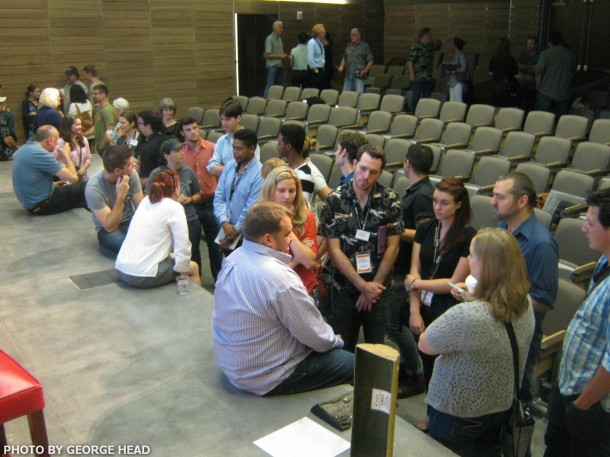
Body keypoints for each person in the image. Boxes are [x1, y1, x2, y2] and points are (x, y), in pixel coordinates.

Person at [212, 201, 354, 396]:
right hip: (267, 376)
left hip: (233, 366)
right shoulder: (280, 279)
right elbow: (315, 337)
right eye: (288, 234)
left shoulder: (232, 259)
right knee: (357, 365)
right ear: (268, 239)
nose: (291, 240)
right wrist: (335, 341)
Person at [419, 228, 535, 456]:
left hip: (458, 414)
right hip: (500, 406)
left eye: (472, 255)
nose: (468, 260)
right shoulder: (526, 304)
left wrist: (469, 304)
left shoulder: (466, 315)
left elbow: (425, 344)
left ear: (486, 265)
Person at [404, 177, 476, 432]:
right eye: (435, 201)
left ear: (458, 205)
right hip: (421, 304)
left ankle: (435, 416)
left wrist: (416, 284)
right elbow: (415, 269)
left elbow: (454, 283)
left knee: (441, 367)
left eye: (444, 203)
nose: (437, 207)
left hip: (448, 307)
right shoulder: (426, 229)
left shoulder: (468, 236)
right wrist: (414, 309)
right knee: (427, 360)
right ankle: (431, 412)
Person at [544, 188, 610, 457]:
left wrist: (582, 405)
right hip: (570, 387)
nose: (584, 229)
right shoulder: (604, 260)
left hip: (591, 405)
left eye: (591, 223)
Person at [319, 144, 403, 352]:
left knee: (377, 351)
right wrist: (361, 286)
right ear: (354, 164)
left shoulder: (390, 200)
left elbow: (393, 248)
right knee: (343, 348)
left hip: (379, 290)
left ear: (380, 172)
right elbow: (334, 249)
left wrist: (372, 287)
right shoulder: (335, 200)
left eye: (373, 172)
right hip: (344, 290)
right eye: (363, 168)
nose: (366, 176)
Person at [492, 172, 558, 417]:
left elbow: (542, 300)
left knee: (516, 410)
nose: (492, 201)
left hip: (520, 336)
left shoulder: (541, 245)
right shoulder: (503, 227)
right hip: (497, 325)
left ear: (521, 201)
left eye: (500, 196)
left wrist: (495, 299)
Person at [390, 144, 435, 398]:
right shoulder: (417, 190)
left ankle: (414, 374)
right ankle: (413, 370)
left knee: (394, 323)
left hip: (409, 270)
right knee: (394, 322)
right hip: (402, 266)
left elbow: (425, 234)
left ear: (407, 163)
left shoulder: (422, 195)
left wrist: (394, 229)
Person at [116, 169, 200, 289]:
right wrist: (182, 275)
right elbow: (183, 247)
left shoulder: (146, 201)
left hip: (121, 268)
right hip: (142, 275)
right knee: (193, 267)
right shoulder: (175, 207)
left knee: (172, 256)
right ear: (177, 189)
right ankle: (195, 306)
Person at [260, 166, 318, 295]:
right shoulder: (259, 217)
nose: (287, 196)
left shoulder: (307, 216)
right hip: (270, 288)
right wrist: (297, 259)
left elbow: (308, 262)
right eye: (281, 190)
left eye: (292, 191)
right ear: (270, 191)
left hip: (301, 287)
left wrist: (285, 222)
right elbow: (261, 266)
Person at [147, 138, 202, 272]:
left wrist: (190, 199)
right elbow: (149, 198)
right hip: (167, 221)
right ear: (166, 156)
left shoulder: (188, 171)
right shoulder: (157, 174)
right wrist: (170, 202)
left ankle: (196, 277)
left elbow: (199, 194)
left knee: (193, 251)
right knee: (170, 253)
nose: (182, 153)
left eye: (182, 149)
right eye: (177, 151)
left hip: (190, 218)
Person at [180, 117, 223, 281]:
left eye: (195, 128)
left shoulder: (212, 148)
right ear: (182, 133)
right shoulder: (180, 153)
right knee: (193, 245)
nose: (193, 132)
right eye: (188, 129)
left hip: (211, 201)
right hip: (191, 204)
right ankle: (196, 278)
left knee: (215, 245)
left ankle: (219, 280)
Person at [12, 125, 86, 215]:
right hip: (42, 204)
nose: (57, 144)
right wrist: (67, 155)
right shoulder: (41, 154)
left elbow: (31, 178)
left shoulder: (24, 148)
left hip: (30, 203)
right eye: (56, 140)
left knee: (77, 196)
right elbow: (73, 178)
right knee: (86, 186)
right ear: (50, 140)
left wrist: (53, 184)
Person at [84, 145, 144, 254]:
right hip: (108, 228)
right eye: (130, 165)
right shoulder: (94, 188)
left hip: (131, 219)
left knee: (155, 235)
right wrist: (121, 196)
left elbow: (141, 208)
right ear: (117, 171)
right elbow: (110, 226)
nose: (134, 166)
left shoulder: (132, 174)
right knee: (122, 245)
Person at [213, 128, 263, 253]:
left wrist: (233, 232)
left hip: (246, 235)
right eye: (233, 148)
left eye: (239, 149)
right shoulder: (229, 166)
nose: (234, 152)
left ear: (251, 149)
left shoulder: (260, 173)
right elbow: (219, 196)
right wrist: (224, 222)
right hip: (226, 228)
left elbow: (251, 207)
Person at [277, 123, 331, 204]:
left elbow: (330, 201)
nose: (277, 147)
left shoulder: (311, 173)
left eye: (279, 143)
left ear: (288, 147)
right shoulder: (286, 166)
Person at [207, 100, 260, 178]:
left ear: (238, 118)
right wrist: (234, 170)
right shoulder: (221, 141)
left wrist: (223, 169)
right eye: (222, 119)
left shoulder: (250, 141)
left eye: (228, 119)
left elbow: (252, 170)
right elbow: (211, 168)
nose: (224, 123)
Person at [536, 31, 577, 117]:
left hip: (546, 91)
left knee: (543, 118)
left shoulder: (546, 53)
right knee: (560, 121)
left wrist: (538, 87)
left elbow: (539, 72)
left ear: (549, 42)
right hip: (563, 93)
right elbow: (572, 73)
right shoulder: (570, 55)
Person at [408, 28, 445, 111]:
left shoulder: (430, 45)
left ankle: (424, 113)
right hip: (418, 76)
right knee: (416, 97)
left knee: (426, 97)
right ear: (424, 35)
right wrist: (412, 73)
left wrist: (452, 36)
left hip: (428, 76)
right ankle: (413, 113)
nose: (431, 37)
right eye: (429, 35)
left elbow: (440, 42)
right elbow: (410, 61)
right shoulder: (416, 45)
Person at [136, 109, 170, 187]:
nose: (139, 127)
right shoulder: (172, 139)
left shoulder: (145, 149)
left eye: (140, 124)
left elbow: (144, 181)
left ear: (148, 126)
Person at [54, 115, 92, 181]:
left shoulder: (83, 139)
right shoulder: (60, 142)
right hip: (66, 180)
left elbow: (88, 158)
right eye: (77, 125)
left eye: (80, 124)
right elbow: (52, 160)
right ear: (68, 126)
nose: (80, 127)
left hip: (82, 178)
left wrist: (84, 168)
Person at [337, 28, 374, 94]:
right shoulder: (348, 45)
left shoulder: (365, 46)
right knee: (346, 95)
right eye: (351, 35)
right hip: (348, 75)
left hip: (359, 75)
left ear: (359, 36)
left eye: (354, 35)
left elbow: (370, 60)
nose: (352, 37)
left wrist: (365, 70)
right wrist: (341, 66)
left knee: (359, 95)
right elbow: (344, 58)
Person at [488, 38, 520, 108]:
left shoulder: (494, 58)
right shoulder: (511, 60)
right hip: (509, 89)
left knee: (497, 109)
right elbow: (516, 75)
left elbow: (490, 73)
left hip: (496, 88)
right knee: (510, 109)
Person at [263, 21, 289, 99]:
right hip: (272, 66)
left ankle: (277, 101)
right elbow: (268, 54)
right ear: (275, 28)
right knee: (270, 85)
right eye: (280, 27)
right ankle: (265, 101)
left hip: (280, 65)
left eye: (282, 27)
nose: (282, 29)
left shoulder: (280, 39)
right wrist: (281, 56)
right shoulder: (269, 39)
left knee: (279, 87)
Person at [516, 35, 540, 112]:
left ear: (536, 45)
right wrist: (531, 67)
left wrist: (525, 67)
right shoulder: (523, 54)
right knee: (520, 106)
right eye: (528, 43)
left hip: (533, 86)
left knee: (530, 106)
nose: (529, 45)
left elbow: (538, 69)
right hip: (522, 84)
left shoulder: (540, 56)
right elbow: (518, 66)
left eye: (531, 43)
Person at [91, 84, 116, 156]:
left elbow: (110, 131)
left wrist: (101, 148)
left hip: (107, 149)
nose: (93, 96)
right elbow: (97, 126)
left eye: (95, 94)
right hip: (101, 146)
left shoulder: (107, 110)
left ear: (103, 94)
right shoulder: (100, 109)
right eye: (92, 94)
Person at [442, 37, 468, 102]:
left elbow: (463, 68)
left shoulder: (461, 55)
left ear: (455, 45)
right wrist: (450, 57)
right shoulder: (455, 55)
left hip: (458, 81)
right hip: (452, 81)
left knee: (458, 100)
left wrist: (453, 71)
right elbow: (452, 66)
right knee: (452, 101)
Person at [307, 24, 327, 90]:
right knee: (315, 89)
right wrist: (315, 70)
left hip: (321, 68)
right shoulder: (312, 42)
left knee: (321, 89)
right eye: (323, 32)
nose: (324, 34)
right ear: (319, 33)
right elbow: (310, 57)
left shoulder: (320, 43)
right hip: (315, 71)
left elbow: (322, 55)